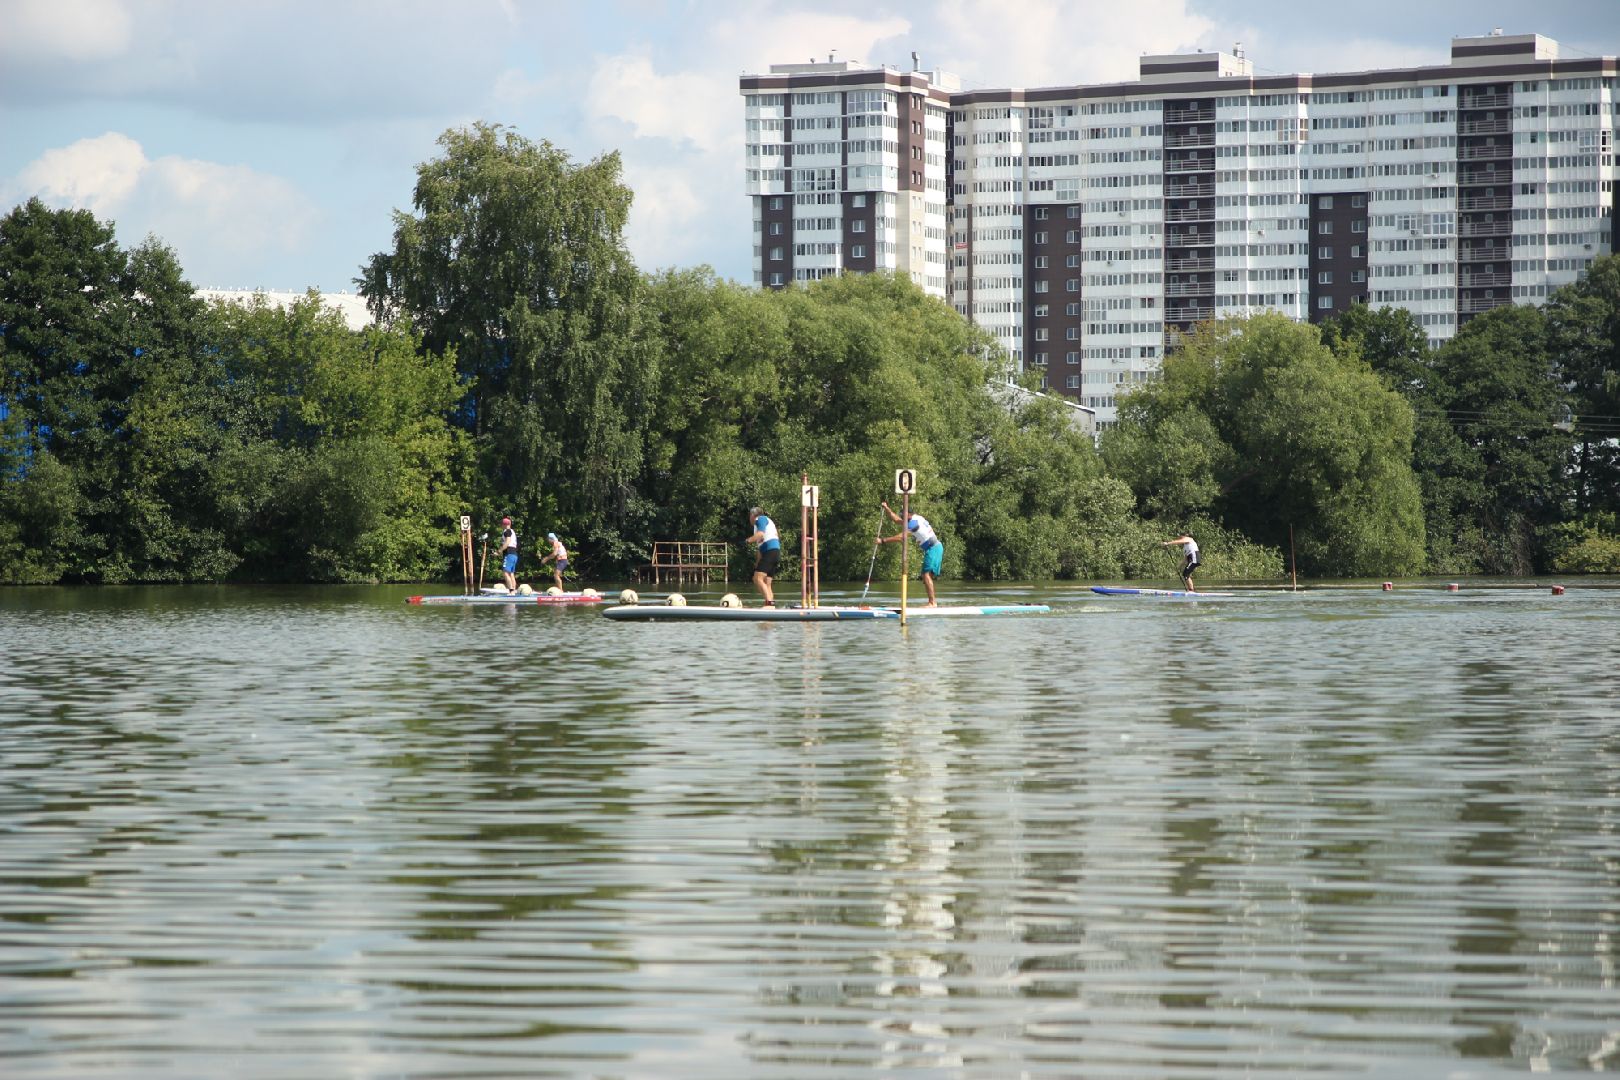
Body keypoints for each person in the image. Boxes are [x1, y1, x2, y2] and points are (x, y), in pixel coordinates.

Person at [878, 500, 941, 607]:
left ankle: (932, 603)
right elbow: (896, 520)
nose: (902, 516)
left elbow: (901, 537)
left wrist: (883, 540)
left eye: (904, 514)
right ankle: (932, 601)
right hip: (934, 548)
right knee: (926, 575)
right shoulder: (916, 517)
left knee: (926, 575)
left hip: (933, 548)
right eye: (902, 514)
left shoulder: (913, 523)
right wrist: (886, 508)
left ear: (909, 514)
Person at [745, 505, 780, 607]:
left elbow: (760, 534)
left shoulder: (761, 519)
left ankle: (769, 603)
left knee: (757, 579)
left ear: (753, 515)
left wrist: (747, 540)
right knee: (766, 582)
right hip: (773, 552)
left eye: (749, 516)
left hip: (770, 552)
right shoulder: (758, 526)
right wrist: (757, 564)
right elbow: (760, 549)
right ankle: (771, 606)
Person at [498, 517, 519, 592]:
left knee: (505, 573)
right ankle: (514, 590)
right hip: (514, 554)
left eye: (502, 524)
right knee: (511, 574)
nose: (501, 526)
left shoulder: (507, 531)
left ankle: (511, 591)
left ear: (504, 524)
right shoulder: (512, 531)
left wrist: (499, 551)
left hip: (509, 554)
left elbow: (507, 542)